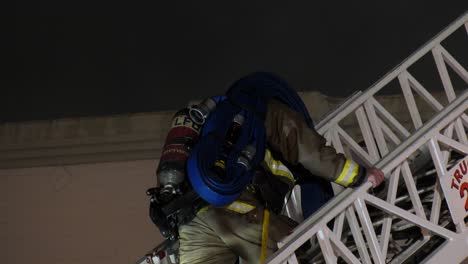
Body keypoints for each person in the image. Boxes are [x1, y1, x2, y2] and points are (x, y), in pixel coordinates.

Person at [152, 72, 384, 264]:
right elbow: (312, 153)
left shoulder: (217, 125)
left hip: (190, 221)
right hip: (234, 208)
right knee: (293, 253)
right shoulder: (268, 112)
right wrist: (361, 175)